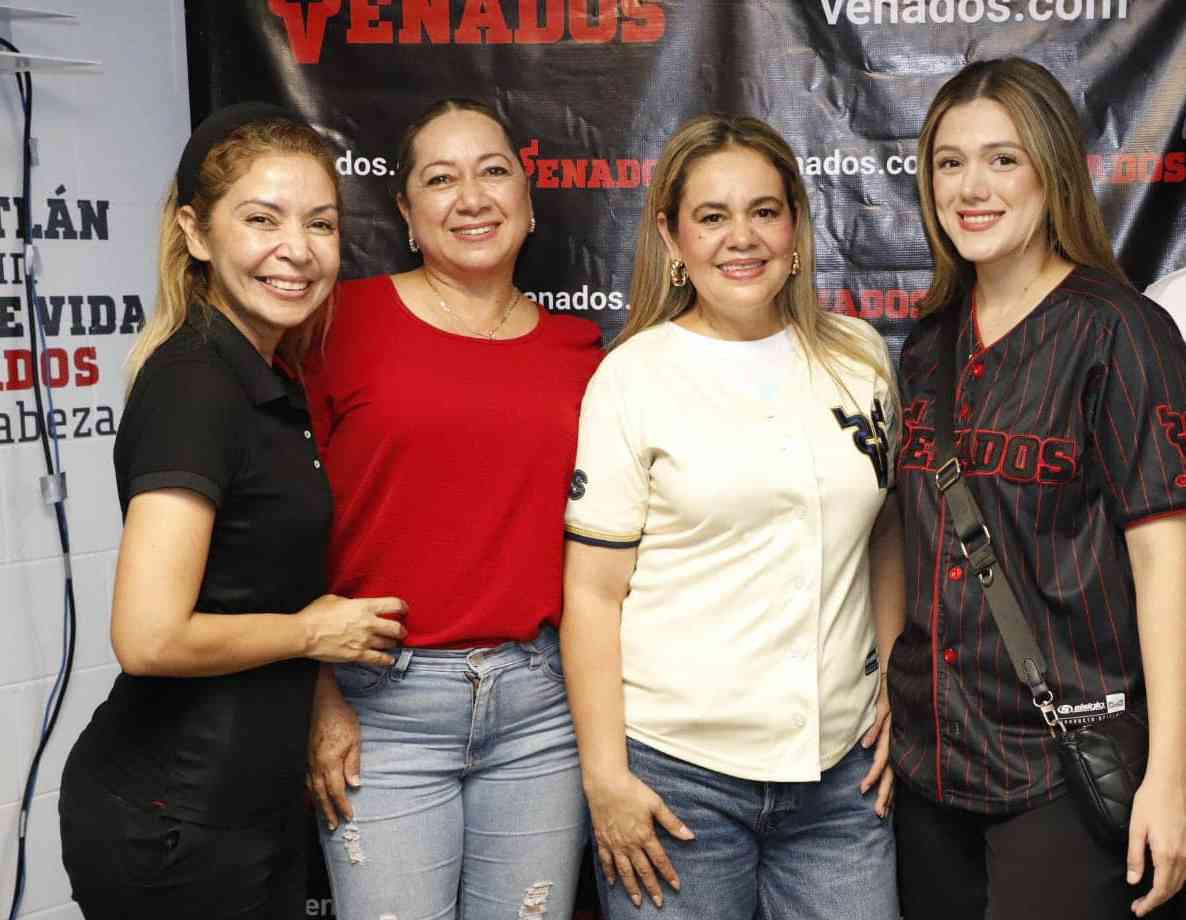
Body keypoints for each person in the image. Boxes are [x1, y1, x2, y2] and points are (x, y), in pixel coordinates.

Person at [57, 104, 407, 919]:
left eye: (320, 223)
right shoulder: (195, 386)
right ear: (198, 232)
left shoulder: (265, 373)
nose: (298, 249)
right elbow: (149, 636)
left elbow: (252, 582)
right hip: (173, 820)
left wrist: (318, 687)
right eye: (262, 219)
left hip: (243, 807)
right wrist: (315, 633)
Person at [561, 113, 903, 920]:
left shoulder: (859, 356)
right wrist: (605, 777)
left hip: (840, 778)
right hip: (678, 783)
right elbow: (591, 596)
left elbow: (884, 530)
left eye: (764, 211)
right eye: (712, 217)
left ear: (794, 228)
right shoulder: (632, 378)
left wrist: (895, 677)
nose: (740, 238)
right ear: (672, 240)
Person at [890, 57, 1186, 920]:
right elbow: (902, 537)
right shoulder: (929, 344)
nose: (971, 187)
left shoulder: (1121, 332)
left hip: (1063, 767)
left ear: (1051, 171)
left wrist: (1169, 776)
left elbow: (1168, 565)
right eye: (950, 162)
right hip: (931, 763)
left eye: (1002, 159)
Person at [302, 98, 602, 920]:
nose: (471, 197)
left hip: (541, 712)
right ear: (405, 212)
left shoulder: (580, 354)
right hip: (381, 709)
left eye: (493, 171)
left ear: (530, 201)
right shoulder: (337, 325)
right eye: (441, 178)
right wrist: (318, 695)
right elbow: (281, 523)